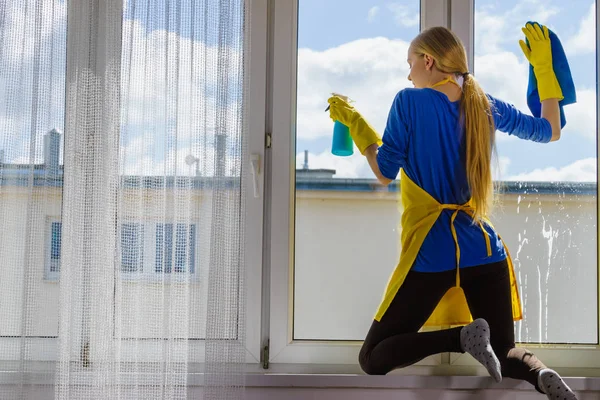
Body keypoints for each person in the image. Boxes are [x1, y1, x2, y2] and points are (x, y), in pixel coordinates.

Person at [327, 24, 577, 400]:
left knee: (372, 357)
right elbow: (550, 130)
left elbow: (384, 171)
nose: (408, 73)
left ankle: (461, 338)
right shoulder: (484, 103)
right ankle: (540, 373)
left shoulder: (409, 102)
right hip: (484, 247)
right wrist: (544, 69)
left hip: (434, 250)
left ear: (428, 61)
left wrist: (356, 124)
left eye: (410, 63)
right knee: (506, 353)